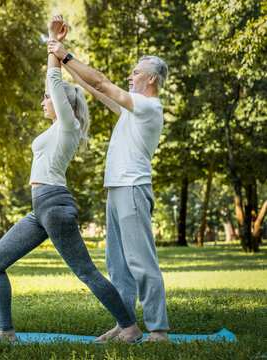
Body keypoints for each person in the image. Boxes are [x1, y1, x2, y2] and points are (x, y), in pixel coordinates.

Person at [0, 15, 143, 344]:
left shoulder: (68, 126)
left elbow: (54, 80)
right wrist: (52, 46)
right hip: (40, 208)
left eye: (47, 98)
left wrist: (53, 43)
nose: (42, 101)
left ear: (63, 104)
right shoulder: (55, 129)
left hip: (55, 206)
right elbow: (51, 86)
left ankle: (130, 327)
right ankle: (6, 332)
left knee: (85, 271)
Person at [47, 15, 170, 342]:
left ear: (152, 79)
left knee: (141, 263)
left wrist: (66, 54)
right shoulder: (132, 110)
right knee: (118, 266)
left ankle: (159, 330)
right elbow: (92, 87)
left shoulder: (148, 107)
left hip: (132, 188)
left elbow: (102, 82)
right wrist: (60, 55)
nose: (130, 77)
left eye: (136, 73)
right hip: (117, 189)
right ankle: (126, 325)